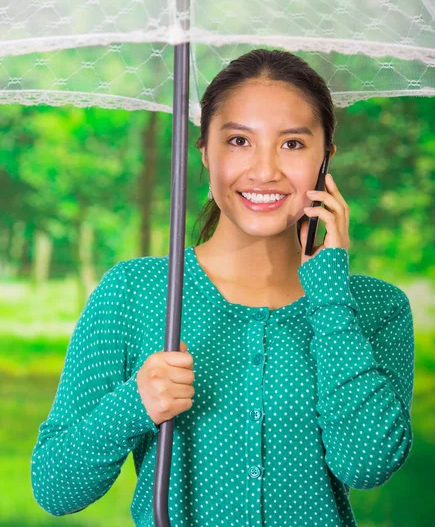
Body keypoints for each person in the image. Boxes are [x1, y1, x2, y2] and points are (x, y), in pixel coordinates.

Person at [30, 49, 414, 527]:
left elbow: (368, 463)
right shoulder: (134, 292)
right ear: (205, 153)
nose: (265, 170)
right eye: (238, 140)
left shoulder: (375, 307)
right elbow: (54, 487)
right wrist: (136, 404)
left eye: (293, 144)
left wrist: (330, 295)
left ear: (325, 157)